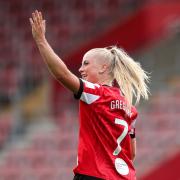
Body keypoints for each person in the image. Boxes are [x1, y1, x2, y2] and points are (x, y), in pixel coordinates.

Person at [29, 10, 150, 180]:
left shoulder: (97, 94)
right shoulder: (130, 108)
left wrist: (41, 41)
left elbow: (63, 75)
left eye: (86, 63)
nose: (80, 69)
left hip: (94, 175)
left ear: (103, 68)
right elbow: (132, 153)